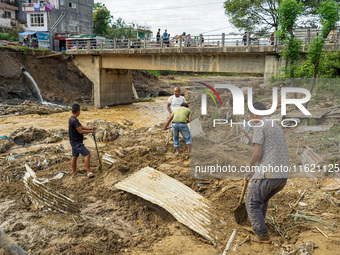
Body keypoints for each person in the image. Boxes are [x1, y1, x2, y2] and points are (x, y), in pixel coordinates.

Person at [245, 102, 289, 243]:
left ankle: (262, 236)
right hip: (282, 176)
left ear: (256, 114)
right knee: (262, 201)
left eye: (251, 116)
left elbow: (257, 153)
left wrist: (250, 165)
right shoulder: (276, 126)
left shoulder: (259, 125)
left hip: (268, 174)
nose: (251, 119)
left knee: (252, 203)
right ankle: (258, 226)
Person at [69, 104, 96, 178]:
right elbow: (80, 131)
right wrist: (91, 132)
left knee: (74, 156)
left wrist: (90, 128)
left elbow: (81, 126)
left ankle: (74, 172)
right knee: (87, 154)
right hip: (77, 142)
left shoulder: (72, 119)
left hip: (73, 142)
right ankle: (89, 172)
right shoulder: (74, 120)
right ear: (78, 111)